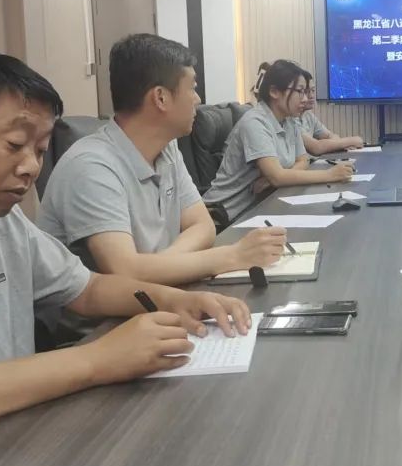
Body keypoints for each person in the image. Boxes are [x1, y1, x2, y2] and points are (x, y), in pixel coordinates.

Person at [0, 47, 252, 466]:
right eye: (14, 145)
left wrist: (177, 300)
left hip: (21, 449)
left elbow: (86, 288)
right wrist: (96, 359)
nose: (31, 167)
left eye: (40, 150)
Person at [37, 34, 286, 287]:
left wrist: (158, 266)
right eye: (192, 88)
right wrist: (232, 256)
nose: (198, 100)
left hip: (158, 296)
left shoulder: (167, 150)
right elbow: (125, 272)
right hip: (108, 312)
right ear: (161, 98)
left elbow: (203, 225)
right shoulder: (91, 166)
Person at [202, 60, 354, 224]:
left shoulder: (289, 121)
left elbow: (303, 160)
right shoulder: (255, 122)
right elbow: (278, 177)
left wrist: (276, 177)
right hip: (226, 217)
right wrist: (330, 175)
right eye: (299, 92)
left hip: (261, 206)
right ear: (274, 92)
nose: (305, 99)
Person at [297, 92, 364, 155]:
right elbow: (316, 147)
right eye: (306, 92)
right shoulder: (293, 120)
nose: (311, 96)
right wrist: (350, 141)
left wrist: (341, 145)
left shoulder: (308, 115)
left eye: (313, 90)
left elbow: (330, 135)